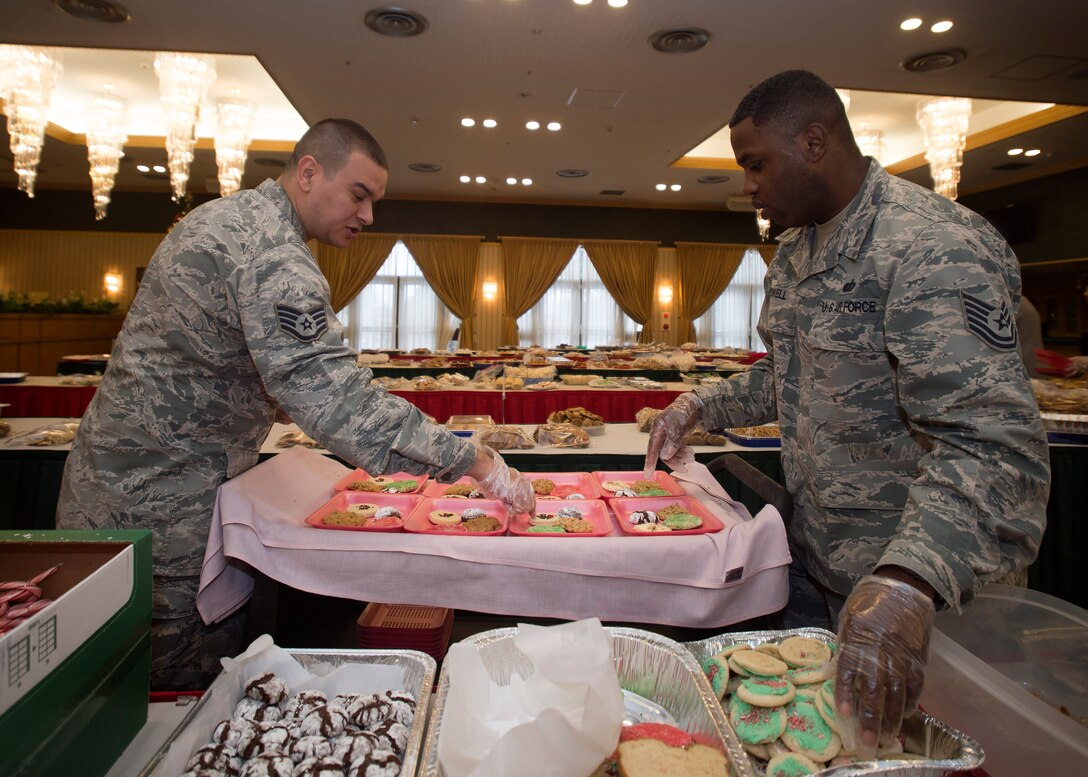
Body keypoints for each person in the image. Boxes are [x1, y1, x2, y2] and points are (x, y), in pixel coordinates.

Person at [645, 71, 1049, 757]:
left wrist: (908, 579)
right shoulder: (796, 252)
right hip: (830, 572)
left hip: (929, 600)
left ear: (813, 141)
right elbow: (787, 373)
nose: (748, 185)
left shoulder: (930, 246)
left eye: (756, 164)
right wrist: (699, 405)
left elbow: (996, 447)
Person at [56, 119, 536, 689]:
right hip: (161, 515)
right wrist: (476, 464)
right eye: (359, 195)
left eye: (374, 201)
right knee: (173, 703)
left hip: (111, 495)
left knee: (104, 689)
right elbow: (336, 397)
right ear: (308, 173)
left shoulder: (225, 216)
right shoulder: (274, 254)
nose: (367, 215)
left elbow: (221, 358)